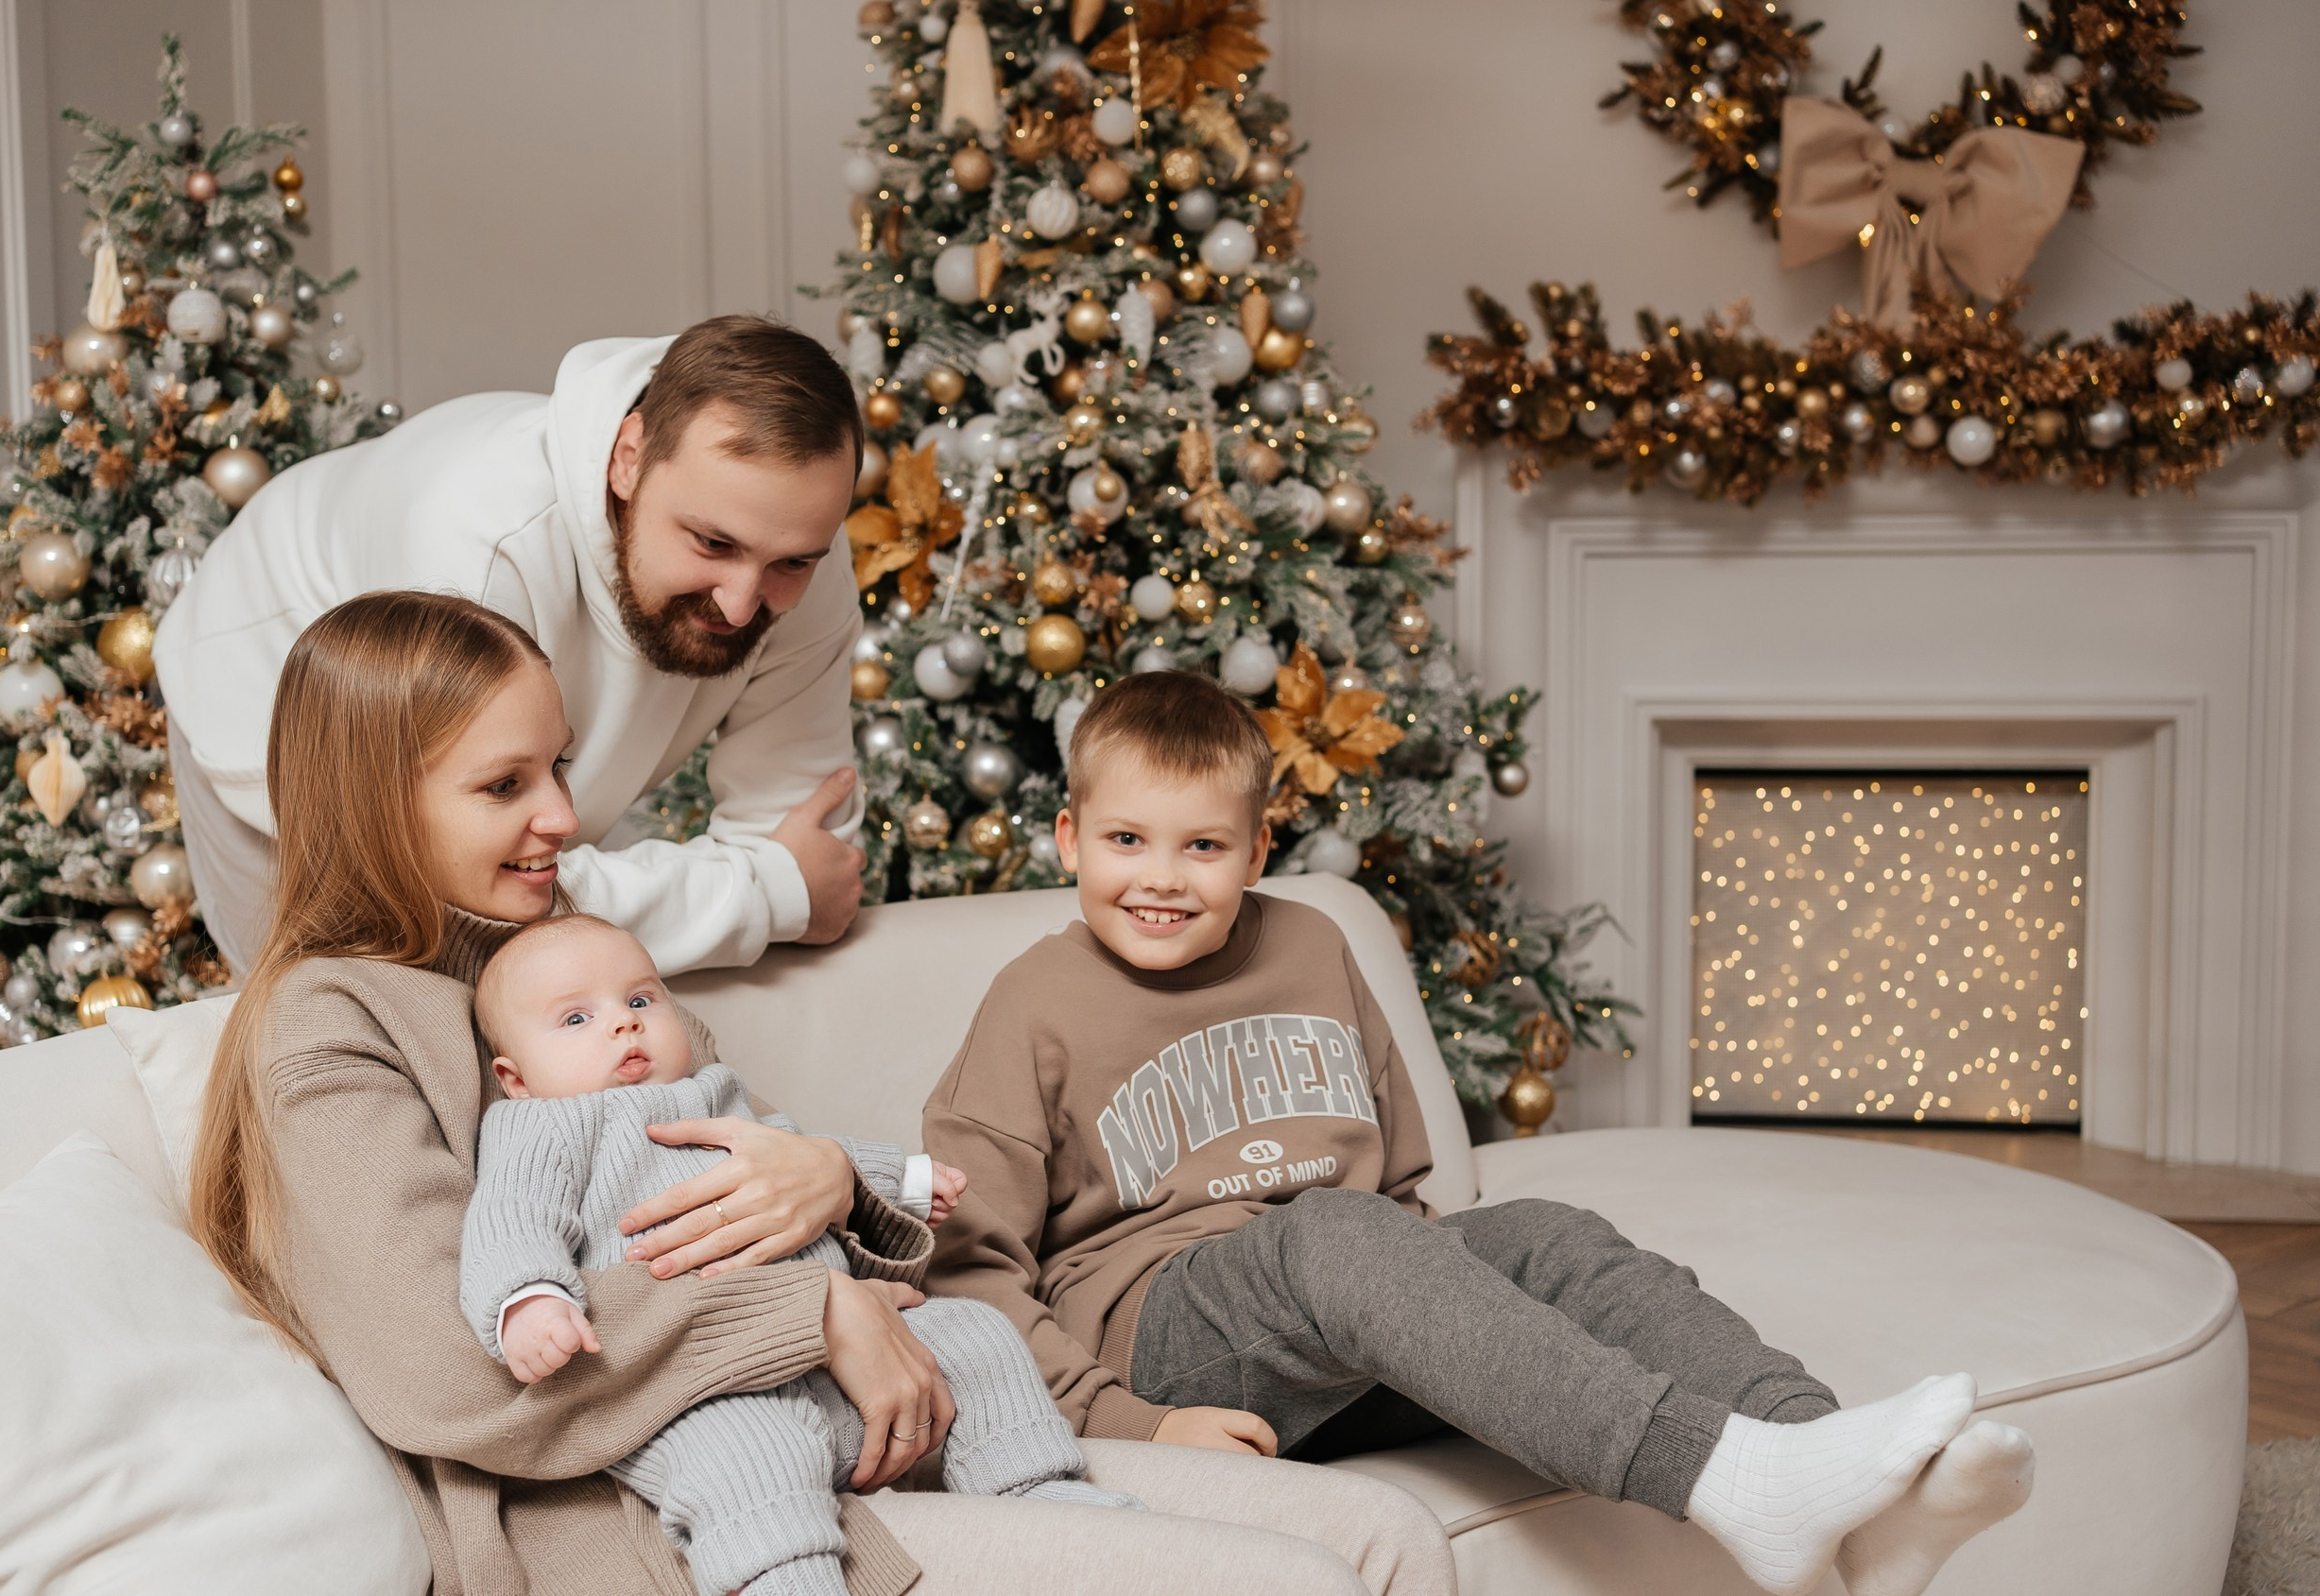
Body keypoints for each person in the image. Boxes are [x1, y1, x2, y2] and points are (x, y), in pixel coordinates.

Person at [188, 591, 1458, 1596]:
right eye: (505, 784)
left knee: (1391, 1536)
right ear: (375, 794)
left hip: (879, 1422)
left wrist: (842, 1185)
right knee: (1302, 1580)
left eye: (559, 767)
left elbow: (752, 1174)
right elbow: (450, 1367)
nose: (566, 817)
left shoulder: (565, 963)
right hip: (677, 1516)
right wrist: (816, 1315)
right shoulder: (326, 1024)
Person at [921, 670, 2038, 1596]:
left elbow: (1403, 1179)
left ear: (1258, 850)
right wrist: (1131, 1424)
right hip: (1166, 1329)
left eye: (1202, 848)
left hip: (1343, 1303)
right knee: (1338, 1234)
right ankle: (1734, 1482)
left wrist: (1447, 1323)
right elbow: (970, 1270)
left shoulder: (1310, 946)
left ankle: (1843, 1482)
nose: (1160, 879)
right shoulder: (1032, 1003)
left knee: (1545, 1233)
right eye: (1127, 840)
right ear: (1070, 839)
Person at [162, 314, 871, 978]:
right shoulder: (473, 553)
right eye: (712, 543)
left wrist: (769, 882)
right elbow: (452, 890)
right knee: (351, 1019)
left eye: (792, 563)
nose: (742, 602)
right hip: (263, 684)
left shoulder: (797, 543)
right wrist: (762, 895)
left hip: (483, 779)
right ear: (629, 458)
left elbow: (805, 846)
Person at [462, 912, 1139, 1596]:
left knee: (973, 1332)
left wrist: (897, 1180)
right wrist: (529, 1299)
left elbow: (804, 1153)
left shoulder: (715, 1092)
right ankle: (787, 1579)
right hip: (708, 1389)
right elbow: (511, 1223)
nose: (623, 1024)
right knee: (751, 1457)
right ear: (515, 1076)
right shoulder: (540, 1126)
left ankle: (1033, 1482)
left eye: (640, 1000)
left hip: (846, 1368)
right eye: (576, 1019)